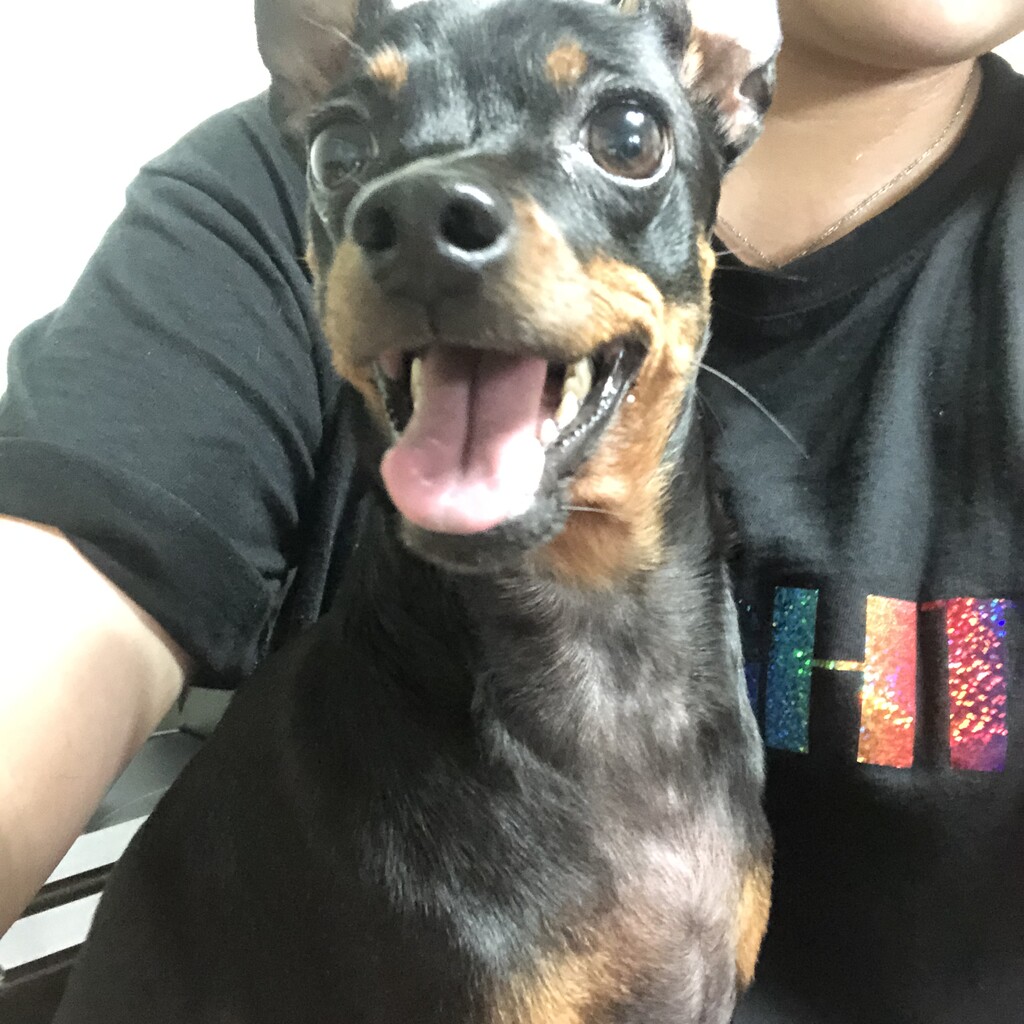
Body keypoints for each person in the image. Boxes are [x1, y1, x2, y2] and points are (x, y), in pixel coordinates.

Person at [1, 0, 1022, 1019]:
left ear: (724, 71)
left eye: (623, 139)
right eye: (349, 155)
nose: (428, 211)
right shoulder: (241, 211)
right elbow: (50, 620)